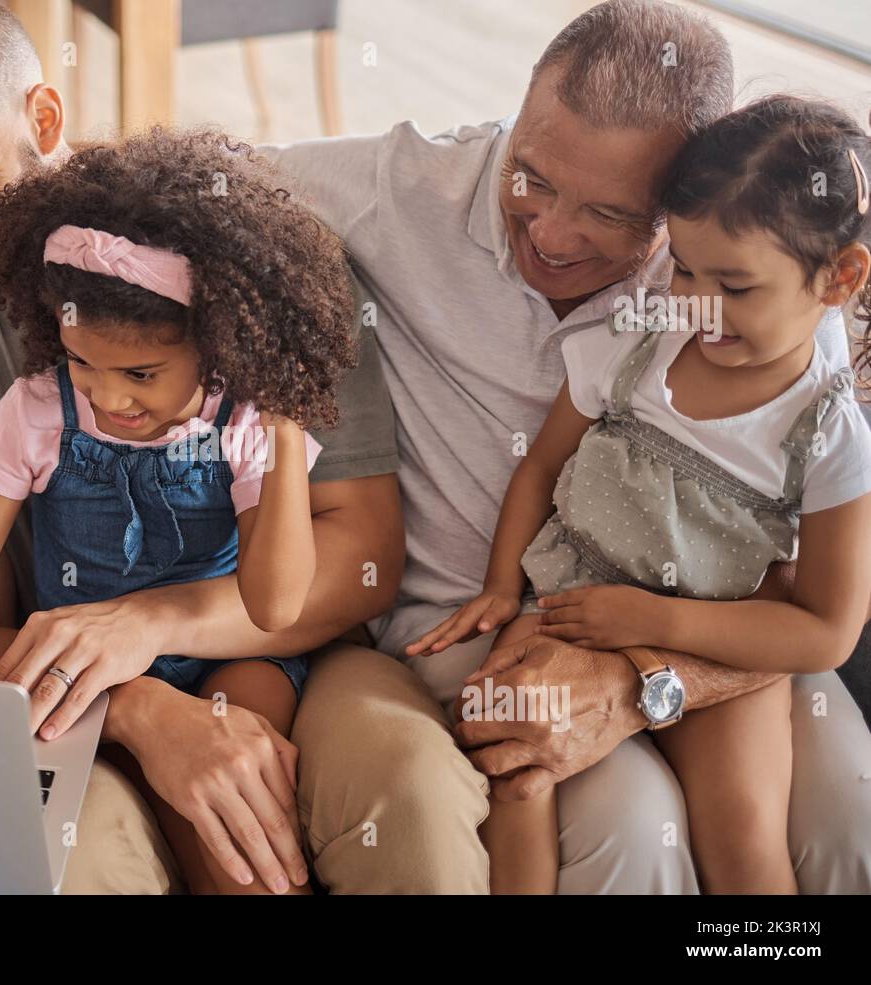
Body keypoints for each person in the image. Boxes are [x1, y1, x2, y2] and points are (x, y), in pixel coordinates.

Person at [0, 0, 487, 893]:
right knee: (91, 863)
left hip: (284, 655)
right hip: (64, 702)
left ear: (43, 119)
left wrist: (150, 625)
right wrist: (136, 705)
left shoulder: (256, 274)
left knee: (406, 802)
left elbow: (360, 563)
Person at [260, 0, 871, 891]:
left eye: (609, 213)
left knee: (850, 811)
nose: (548, 233)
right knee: (636, 831)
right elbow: (201, 179)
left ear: (678, 203)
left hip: (714, 635)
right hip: (503, 621)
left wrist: (645, 678)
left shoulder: (749, 277)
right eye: (532, 177)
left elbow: (813, 608)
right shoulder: (401, 187)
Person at [411, 95, 871, 894]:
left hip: (713, 646)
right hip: (565, 609)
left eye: (736, 286)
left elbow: (828, 630)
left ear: (840, 280)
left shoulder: (828, 433)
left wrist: (655, 623)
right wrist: (499, 586)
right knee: (515, 770)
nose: (702, 307)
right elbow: (540, 466)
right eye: (686, 269)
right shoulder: (637, 341)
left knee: (744, 840)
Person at [0, 129, 361, 892]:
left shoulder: (244, 420)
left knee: (235, 827)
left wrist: (280, 421)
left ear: (217, 345)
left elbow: (274, 605)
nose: (108, 396)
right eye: (84, 361)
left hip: (230, 661)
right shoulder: (40, 406)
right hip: (87, 676)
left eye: (141, 372)